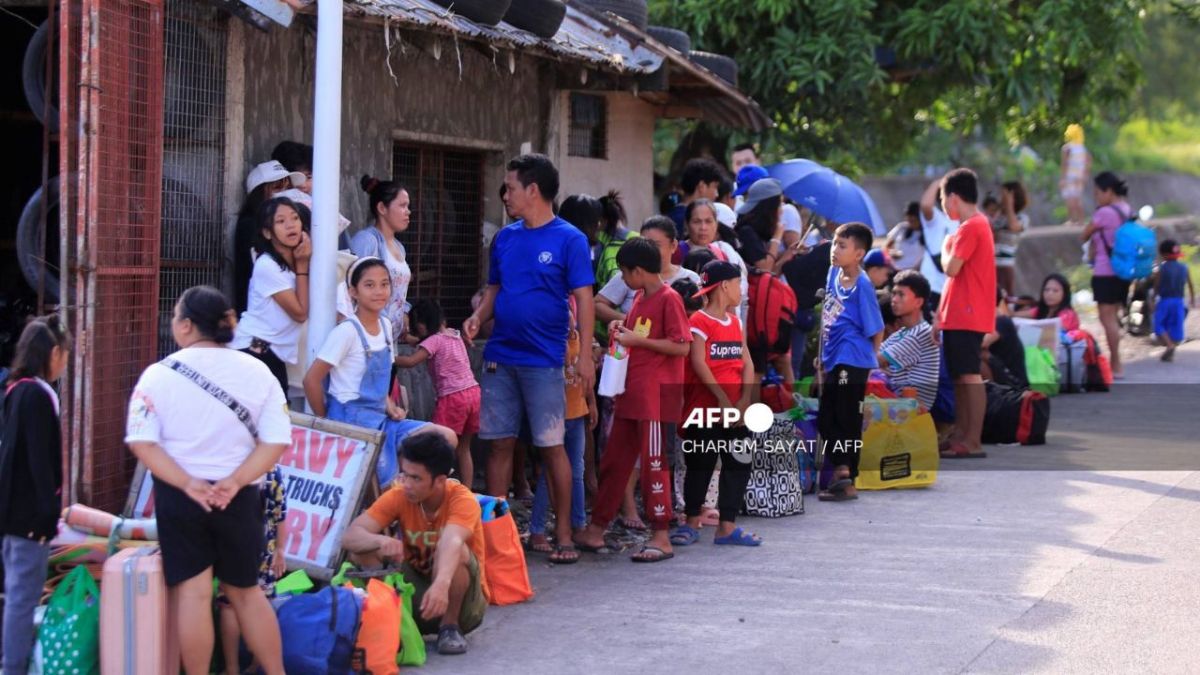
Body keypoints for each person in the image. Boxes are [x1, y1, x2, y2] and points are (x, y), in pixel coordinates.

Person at [125, 286, 289, 675]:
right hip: (242, 497)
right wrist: (236, 480)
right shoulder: (257, 371)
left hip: (182, 500)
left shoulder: (158, 375)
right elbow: (277, 440)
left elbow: (142, 442)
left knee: (194, 596)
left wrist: (187, 483)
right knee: (246, 594)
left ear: (185, 325)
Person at [464, 154, 594, 565]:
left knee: (552, 447)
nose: (506, 195)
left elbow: (585, 301)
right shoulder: (505, 238)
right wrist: (478, 316)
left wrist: (587, 354)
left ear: (532, 190)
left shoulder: (569, 239)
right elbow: (495, 290)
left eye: (511, 188)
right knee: (499, 445)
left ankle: (564, 534)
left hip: (545, 362)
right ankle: (495, 535)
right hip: (501, 357)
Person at [574, 238, 691, 563]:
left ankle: (661, 535)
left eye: (625, 273)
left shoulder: (669, 299)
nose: (623, 280)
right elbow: (640, 333)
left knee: (654, 463)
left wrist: (637, 338)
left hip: (654, 396)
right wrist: (620, 326)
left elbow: (682, 346)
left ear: (639, 271)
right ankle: (597, 529)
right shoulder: (640, 297)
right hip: (631, 392)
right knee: (615, 462)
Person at [303, 258, 456, 488]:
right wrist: (328, 423)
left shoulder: (385, 326)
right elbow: (311, 380)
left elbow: (378, 381)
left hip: (381, 420)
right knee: (391, 488)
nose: (379, 291)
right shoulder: (346, 332)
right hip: (352, 426)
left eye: (384, 284)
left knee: (446, 437)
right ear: (353, 292)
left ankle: (410, 494)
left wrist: (389, 405)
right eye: (369, 285)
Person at [341, 433, 488, 655]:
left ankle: (449, 627)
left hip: (463, 606)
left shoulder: (462, 499)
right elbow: (350, 536)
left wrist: (441, 584)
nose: (407, 484)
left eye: (416, 478)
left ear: (440, 480)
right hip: (418, 596)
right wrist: (379, 540)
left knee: (454, 549)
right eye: (404, 475)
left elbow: (453, 540)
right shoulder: (400, 495)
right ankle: (391, 621)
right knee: (362, 552)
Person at [672, 260, 761, 547]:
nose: (741, 291)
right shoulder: (698, 321)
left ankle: (727, 526)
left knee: (738, 462)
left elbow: (747, 362)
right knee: (701, 464)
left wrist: (744, 399)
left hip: (736, 408)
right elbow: (698, 362)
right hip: (706, 409)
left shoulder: (735, 322)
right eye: (738, 284)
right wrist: (723, 400)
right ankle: (691, 522)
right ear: (724, 286)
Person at [1, 316, 71, 675]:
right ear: (54, 353)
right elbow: (41, 463)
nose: (63, 365)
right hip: (31, 519)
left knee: (17, 596)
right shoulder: (40, 394)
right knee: (22, 600)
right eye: (64, 356)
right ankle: (12, 668)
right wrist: (48, 515)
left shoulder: (14, 389)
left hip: (12, 515)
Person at [816, 223, 885, 502]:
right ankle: (844, 475)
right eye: (834, 243)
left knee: (844, 416)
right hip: (833, 356)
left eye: (842, 246)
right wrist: (821, 354)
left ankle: (845, 474)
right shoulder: (833, 272)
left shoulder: (863, 286)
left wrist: (870, 363)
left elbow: (876, 328)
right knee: (828, 416)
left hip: (852, 360)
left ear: (859, 254)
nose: (835, 250)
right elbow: (827, 318)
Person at [528, 295, 598, 557]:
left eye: (570, 312)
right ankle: (537, 528)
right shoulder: (547, 345)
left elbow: (585, 376)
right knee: (551, 473)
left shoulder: (579, 340)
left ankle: (578, 524)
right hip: (554, 417)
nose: (569, 317)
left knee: (577, 469)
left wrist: (592, 404)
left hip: (577, 412)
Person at [936, 168, 996, 459]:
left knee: (969, 376)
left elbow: (951, 268)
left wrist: (945, 247)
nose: (944, 207)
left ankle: (972, 439)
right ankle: (960, 434)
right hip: (958, 314)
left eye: (944, 200)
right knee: (960, 376)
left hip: (967, 314)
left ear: (954, 198)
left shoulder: (972, 226)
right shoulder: (972, 226)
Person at [394, 298, 481, 490]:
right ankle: (466, 491)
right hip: (474, 393)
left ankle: (437, 490)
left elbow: (410, 362)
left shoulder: (434, 341)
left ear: (425, 323)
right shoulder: (455, 335)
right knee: (464, 448)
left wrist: (387, 357)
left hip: (453, 397)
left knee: (439, 446)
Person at [229, 197, 311, 395]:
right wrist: (302, 267)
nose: (290, 225)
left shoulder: (301, 258)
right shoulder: (267, 265)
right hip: (254, 351)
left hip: (272, 354)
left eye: (294, 218)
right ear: (267, 232)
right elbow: (300, 313)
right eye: (280, 221)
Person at [219, 466, 287, 675]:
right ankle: (259, 666)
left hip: (229, 538)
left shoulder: (227, 463)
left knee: (228, 604)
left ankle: (231, 668)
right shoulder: (271, 469)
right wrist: (280, 550)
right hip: (263, 542)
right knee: (261, 601)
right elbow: (280, 513)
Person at [596, 216, 701, 325]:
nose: (647, 251)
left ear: (673, 245)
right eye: (644, 244)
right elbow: (598, 304)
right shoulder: (630, 275)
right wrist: (629, 321)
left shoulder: (691, 279)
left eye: (655, 245)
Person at [233, 161, 308, 313]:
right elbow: (300, 313)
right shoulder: (249, 226)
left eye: (288, 187)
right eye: (278, 188)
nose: (285, 194)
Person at [1081, 171, 1132, 378]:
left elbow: (1084, 234)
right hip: (1122, 271)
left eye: (1098, 193)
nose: (1096, 198)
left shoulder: (1104, 213)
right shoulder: (1126, 209)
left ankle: (1116, 363)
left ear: (1108, 191)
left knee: (1107, 318)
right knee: (1113, 316)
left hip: (1104, 271)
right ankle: (1116, 361)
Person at [352, 176, 414, 341]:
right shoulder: (367, 240)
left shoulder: (399, 247)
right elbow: (350, 287)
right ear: (382, 208)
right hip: (367, 337)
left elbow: (398, 293)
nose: (408, 211)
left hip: (388, 340)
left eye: (407, 206)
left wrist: (405, 312)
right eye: (402, 205)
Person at [877, 270, 938, 410]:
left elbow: (874, 360)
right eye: (894, 293)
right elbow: (873, 356)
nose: (894, 300)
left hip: (911, 411)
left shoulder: (921, 333)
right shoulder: (903, 333)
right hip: (896, 403)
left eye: (901, 295)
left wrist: (879, 364)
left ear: (918, 302)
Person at [735, 178, 799, 275]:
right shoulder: (747, 231)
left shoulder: (759, 231)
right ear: (769, 208)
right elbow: (765, 269)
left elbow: (772, 272)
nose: (781, 211)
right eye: (779, 205)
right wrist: (777, 238)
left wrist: (789, 253)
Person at [918, 179, 960, 307]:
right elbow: (925, 205)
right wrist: (940, 182)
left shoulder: (965, 221)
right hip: (932, 285)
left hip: (953, 287)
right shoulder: (936, 218)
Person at [1154, 239, 1195, 362]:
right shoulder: (1184, 267)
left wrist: (1153, 298)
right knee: (1176, 327)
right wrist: (1192, 299)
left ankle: (1169, 345)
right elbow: (1191, 285)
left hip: (1165, 301)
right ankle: (1170, 348)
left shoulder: (1161, 268)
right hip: (1179, 302)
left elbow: (1156, 286)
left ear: (1163, 254)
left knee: (1159, 325)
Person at [668, 158, 725, 237]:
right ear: (702, 187)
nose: (717, 194)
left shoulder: (672, 215)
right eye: (715, 187)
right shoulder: (681, 220)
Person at [984, 288, 1028, 388]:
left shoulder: (1001, 321)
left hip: (1015, 383)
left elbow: (982, 343)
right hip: (1003, 376)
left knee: (979, 355)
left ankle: (990, 394)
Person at [992, 181, 1029, 297]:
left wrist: (1009, 205)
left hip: (1005, 263)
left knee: (1005, 295)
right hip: (991, 262)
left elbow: (1014, 227)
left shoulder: (1022, 218)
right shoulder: (998, 216)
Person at [1061, 124, 1091, 225]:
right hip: (1080, 177)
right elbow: (1088, 162)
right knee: (1078, 199)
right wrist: (1085, 174)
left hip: (1070, 176)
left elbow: (1064, 164)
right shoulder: (1083, 148)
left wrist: (1063, 178)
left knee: (1070, 198)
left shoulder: (1067, 148)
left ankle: (1072, 220)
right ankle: (1081, 220)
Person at [886, 202, 924, 271]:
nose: (911, 224)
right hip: (896, 269)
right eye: (909, 220)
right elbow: (886, 247)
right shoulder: (902, 228)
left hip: (915, 271)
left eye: (914, 221)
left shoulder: (927, 234)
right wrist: (892, 253)